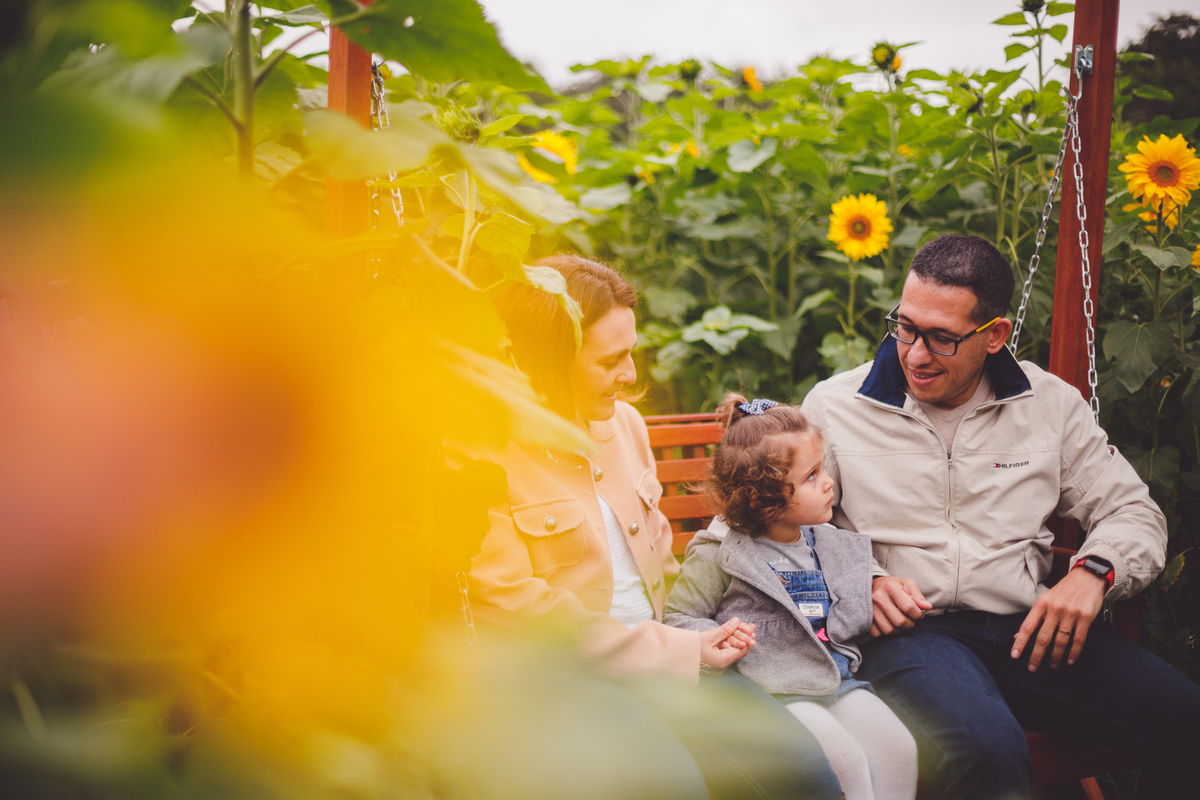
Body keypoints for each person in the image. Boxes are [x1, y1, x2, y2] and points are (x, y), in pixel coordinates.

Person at [800, 234, 1200, 800]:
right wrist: (863, 578)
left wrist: (1095, 572)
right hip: (910, 635)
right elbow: (788, 528)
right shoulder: (836, 406)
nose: (915, 354)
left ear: (994, 335)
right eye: (905, 327)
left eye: (941, 338)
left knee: (1184, 718)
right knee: (986, 750)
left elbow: (1133, 510)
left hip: (1028, 626)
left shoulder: (1048, 404)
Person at [468, 255, 842, 800]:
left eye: (631, 353)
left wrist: (701, 636)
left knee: (804, 771)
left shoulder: (623, 424)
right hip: (567, 679)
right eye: (610, 360)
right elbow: (521, 610)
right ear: (547, 361)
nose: (630, 375)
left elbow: (663, 565)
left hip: (670, 657)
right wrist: (670, 650)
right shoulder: (482, 455)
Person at [665, 393, 917, 800]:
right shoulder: (719, 553)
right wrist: (716, 636)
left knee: (897, 747)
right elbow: (679, 617)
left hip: (836, 680)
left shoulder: (825, 543)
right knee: (844, 759)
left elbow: (851, 605)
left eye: (822, 468)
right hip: (774, 690)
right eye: (811, 476)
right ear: (761, 499)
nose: (828, 481)